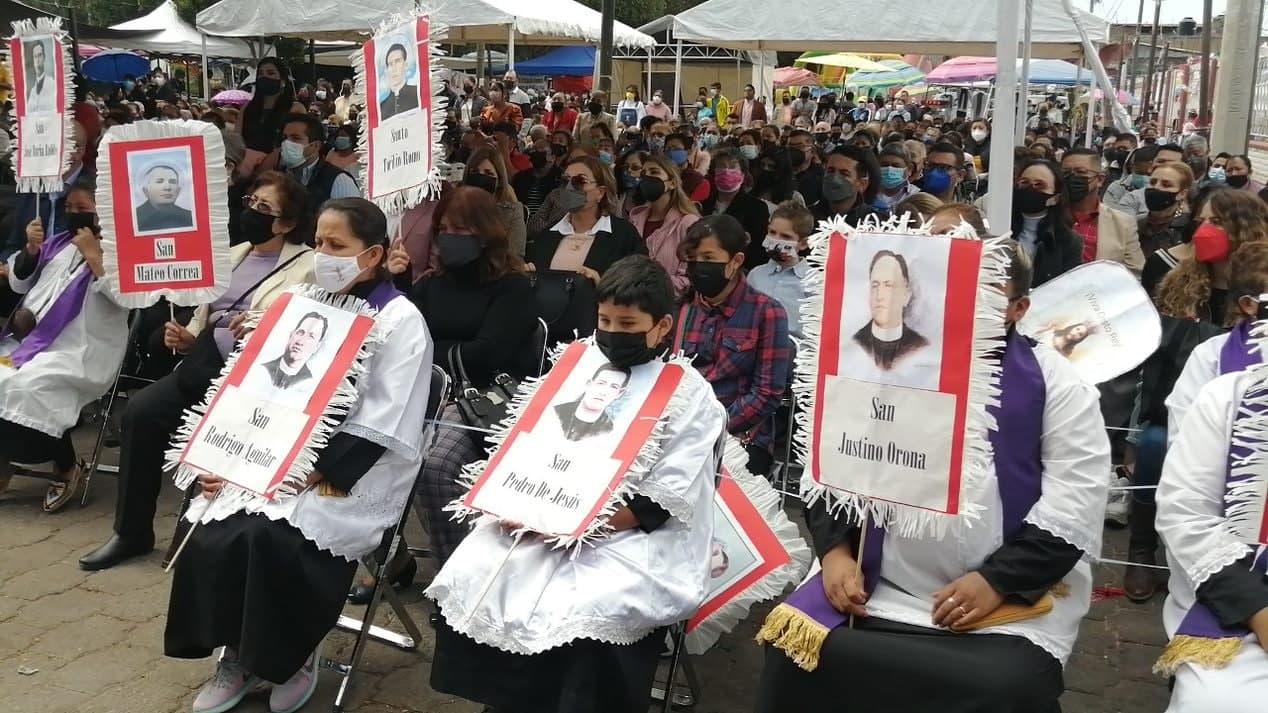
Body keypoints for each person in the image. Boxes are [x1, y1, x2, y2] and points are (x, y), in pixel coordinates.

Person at [755, 241, 1110, 713]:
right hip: (879, 585)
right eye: (960, 290)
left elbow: (1075, 501)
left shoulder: (1060, 386)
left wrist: (997, 579)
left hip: (999, 604)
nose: (967, 304)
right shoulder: (881, 366)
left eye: (989, 294)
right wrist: (837, 553)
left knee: (1003, 687)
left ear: (1019, 307)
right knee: (790, 655)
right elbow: (835, 462)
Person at [164, 197, 431, 713]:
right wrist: (222, 458)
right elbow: (253, 390)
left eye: (336, 246)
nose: (321, 254)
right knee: (213, 521)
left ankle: (290, 653)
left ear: (372, 255)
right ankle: (236, 655)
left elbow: (385, 418)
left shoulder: (401, 320)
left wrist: (313, 470)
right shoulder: (301, 301)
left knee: (271, 532)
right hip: (273, 450)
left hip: (351, 469)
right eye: (318, 242)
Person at [427, 254, 725, 713]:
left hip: (629, 532)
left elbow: (655, 505)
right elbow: (530, 444)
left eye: (627, 323)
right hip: (549, 510)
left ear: (663, 326)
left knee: (587, 601)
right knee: (482, 561)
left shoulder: (690, 395)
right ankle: (504, 701)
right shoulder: (579, 364)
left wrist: (572, 525)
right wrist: (520, 505)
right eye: (604, 320)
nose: (611, 332)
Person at [78, 172, 315, 571]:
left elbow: (301, 328)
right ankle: (131, 532)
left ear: (288, 222)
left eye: (265, 208)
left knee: (212, 438)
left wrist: (260, 326)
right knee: (140, 414)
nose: (252, 212)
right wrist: (186, 336)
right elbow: (206, 317)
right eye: (251, 203)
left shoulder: (307, 265)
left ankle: (195, 545)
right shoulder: (231, 253)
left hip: (252, 384)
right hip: (202, 367)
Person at [410, 186, 541, 566]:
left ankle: (456, 569)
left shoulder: (512, 286)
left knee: (434, 467)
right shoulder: (430, 284)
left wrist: (432, 349)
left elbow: (487, 356)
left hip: (481, 400)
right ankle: (391, 558)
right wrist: (398, 281)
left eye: (463, 229)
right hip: (428, 393)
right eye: (445, 227)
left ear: (486, 233)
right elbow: (404, 338)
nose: (451, 237)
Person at [0, 180, 125, 511]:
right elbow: (18, 281)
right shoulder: (56, 244)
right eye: (69, 209)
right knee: (5, 378)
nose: (74, 215)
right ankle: (5, 456)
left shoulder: (120, 250)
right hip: (29, 342)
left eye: (83, 210)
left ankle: (67, 465)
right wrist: (30, 249)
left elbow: (128, 299)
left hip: (82, 348)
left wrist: (95, 257)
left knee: (28, 387)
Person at [1153, 364, 1268, 712]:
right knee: (1221, 703)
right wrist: (1259, 611)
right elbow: (1186, 513)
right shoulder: (1229, 397)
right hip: (1248, 601)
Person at [675, 215, 790, 475]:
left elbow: (766, 393)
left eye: (708, 258)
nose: (698, 266)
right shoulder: (682, 309)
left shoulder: (767, 312)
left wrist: (713, 427)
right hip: (681, 429)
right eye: (692, 259)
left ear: (735, 261)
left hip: (740, 435)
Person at [527, 155, 644, 282]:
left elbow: (640, 283)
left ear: (601, 192)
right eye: (565, 181)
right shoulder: (547, 234)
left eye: (580, 182)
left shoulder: (624, 234)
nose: (569, 188)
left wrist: (601, 285)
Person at [1060, 147, 1145, 275]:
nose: (1073, 178)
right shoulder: (1047, 214)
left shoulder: (1123, 223)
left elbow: (1135, 274)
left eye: (1081, 172)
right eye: (1066, 173)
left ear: (1100, 179)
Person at [627, 154, 701, 295]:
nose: (647, 177)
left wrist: (646, 285)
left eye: (654, 172)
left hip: (669, 307)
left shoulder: (688, 223)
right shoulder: (634, 220)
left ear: (672, 183)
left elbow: (689, 278)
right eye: (643, 174)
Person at [749, 200, 814, 340]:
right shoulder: (755, 276)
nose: (775, 240)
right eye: (772, 232)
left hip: (796, 355)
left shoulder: (814, 281)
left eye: (786, 236)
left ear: (803, 244)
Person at [1011, 158, 1081, 286]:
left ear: (1056, 197)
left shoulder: (1070, 241)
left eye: (1039, 185)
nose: (1030, 189)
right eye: (1024, 182)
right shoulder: (998, 227)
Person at [702, 147, 770, 270]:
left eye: (732, 167)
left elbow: (760, 250)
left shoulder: (756, 207)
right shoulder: (703, 204)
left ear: (743, 174)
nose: (726, 171)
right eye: (721, 166)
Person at [238, 59, 306, 179]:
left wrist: (266, 165)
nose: (265, 77)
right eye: (261, 74)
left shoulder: (295, 108)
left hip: (277, 171)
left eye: (271, 73)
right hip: (244, 169)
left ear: (283, 80)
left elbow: (297, 141)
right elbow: (236, 140)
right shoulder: (246, 108)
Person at [278, 113, 359, 207]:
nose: (286, 143)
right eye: (284, 138)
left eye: (295, 138)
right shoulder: (277, 175)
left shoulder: (338, 181)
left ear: (316, 146)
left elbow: (350, 219)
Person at [462, 146, 528, 257]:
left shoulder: (513, 212)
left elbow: (515, 254)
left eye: (488, 173)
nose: (481, 177)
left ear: (499, 180)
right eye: (475, 172)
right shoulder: (455, 209)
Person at [549, 362, 630, 441]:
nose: (603, 392)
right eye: (601, 383)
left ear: (619, 393)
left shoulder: (609, 431)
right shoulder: (557, 412)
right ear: (588, 384)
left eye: (614, 387)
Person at [813, 145, 884, 227]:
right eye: (830, 171)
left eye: (844, 174)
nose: (834, 179)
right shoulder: (804, 220)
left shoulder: (877, 225)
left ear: (862, 184)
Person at [134, 164, 195, 233]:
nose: (168, 187)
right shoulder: (134, 218)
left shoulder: (189, 217)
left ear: (178, 191)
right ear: (146, 191)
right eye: (159, 181)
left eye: (172, 182)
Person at [511, 139, 562, 217]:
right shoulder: (520, 177)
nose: (536, 152)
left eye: (541, 149)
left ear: (552, 157)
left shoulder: (560, 179)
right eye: (534, 149)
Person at [378, 42, 419, 120]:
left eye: (398, 61)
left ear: (406, 64)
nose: (394, 68)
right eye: (390, 64)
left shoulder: (417, 93)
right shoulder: (382, 105)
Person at [875, 143, 921, 211]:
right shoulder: (867, 191)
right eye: (884, 165)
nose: (889, 169)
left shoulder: (916, 196)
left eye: (895, 166)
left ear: (909, 169)